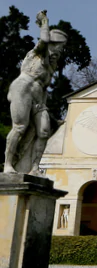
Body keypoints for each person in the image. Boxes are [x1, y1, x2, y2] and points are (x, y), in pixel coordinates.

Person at [4, 10, 66, 175]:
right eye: (57, 47)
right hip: (23, 89)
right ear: (51, 45)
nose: (58, 52)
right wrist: (44, 22)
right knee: (20, 127)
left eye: (60, 50)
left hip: (38, 99)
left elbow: (44, 93)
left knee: (44, 131)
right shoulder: (36, 53)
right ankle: (8, 165)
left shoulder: (50, 68)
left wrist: (52, 117)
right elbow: (44, 40)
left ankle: (34, 168)